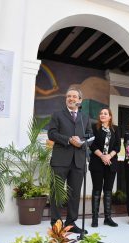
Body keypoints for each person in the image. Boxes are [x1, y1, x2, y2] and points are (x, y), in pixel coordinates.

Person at [47, 87, 92, 234]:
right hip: (60, 160)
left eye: (74, 96)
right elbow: (51, 133)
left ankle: (71, 223)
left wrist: (82, 142)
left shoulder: (84, 117)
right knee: (57, 193)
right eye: (68, 96)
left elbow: (90, 136)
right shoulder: (58, 114)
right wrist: (68, 140)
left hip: (78, 161)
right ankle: (56, 223)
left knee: (74, 194)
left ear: (80, 100)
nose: (71, 98)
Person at [89, 108, 121, 227]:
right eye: (101, 113)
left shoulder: (115, 129)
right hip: (97, 163)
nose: (102, 115)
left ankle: (108, 218)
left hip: (111, 164)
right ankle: (95, 218)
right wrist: (102, 156)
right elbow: (92, 144)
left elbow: (118, 146)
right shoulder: (94, 127)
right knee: (97, 190)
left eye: (105, 113)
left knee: (108, 190)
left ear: (110, 116)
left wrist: (109, 156)